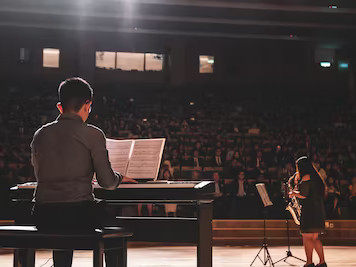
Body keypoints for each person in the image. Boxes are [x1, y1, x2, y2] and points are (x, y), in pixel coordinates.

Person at [31, 77, 136, 267]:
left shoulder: (40, 134)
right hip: (78, 214)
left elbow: (40, 171)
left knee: (62, 225)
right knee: (115, 229)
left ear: (60, 107)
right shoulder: (93, 134)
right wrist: (120, 177)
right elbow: (107, 182)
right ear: (88, 105)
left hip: (42, 215)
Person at [289, 156, 327, 267]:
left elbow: (304, 195)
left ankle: (309, 262)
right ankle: (322, 262)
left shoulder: (306, 177)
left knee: (307, 237)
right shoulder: (316, 177)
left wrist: (293, 194)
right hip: (317, 210)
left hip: (310, 211)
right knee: (315, 238)